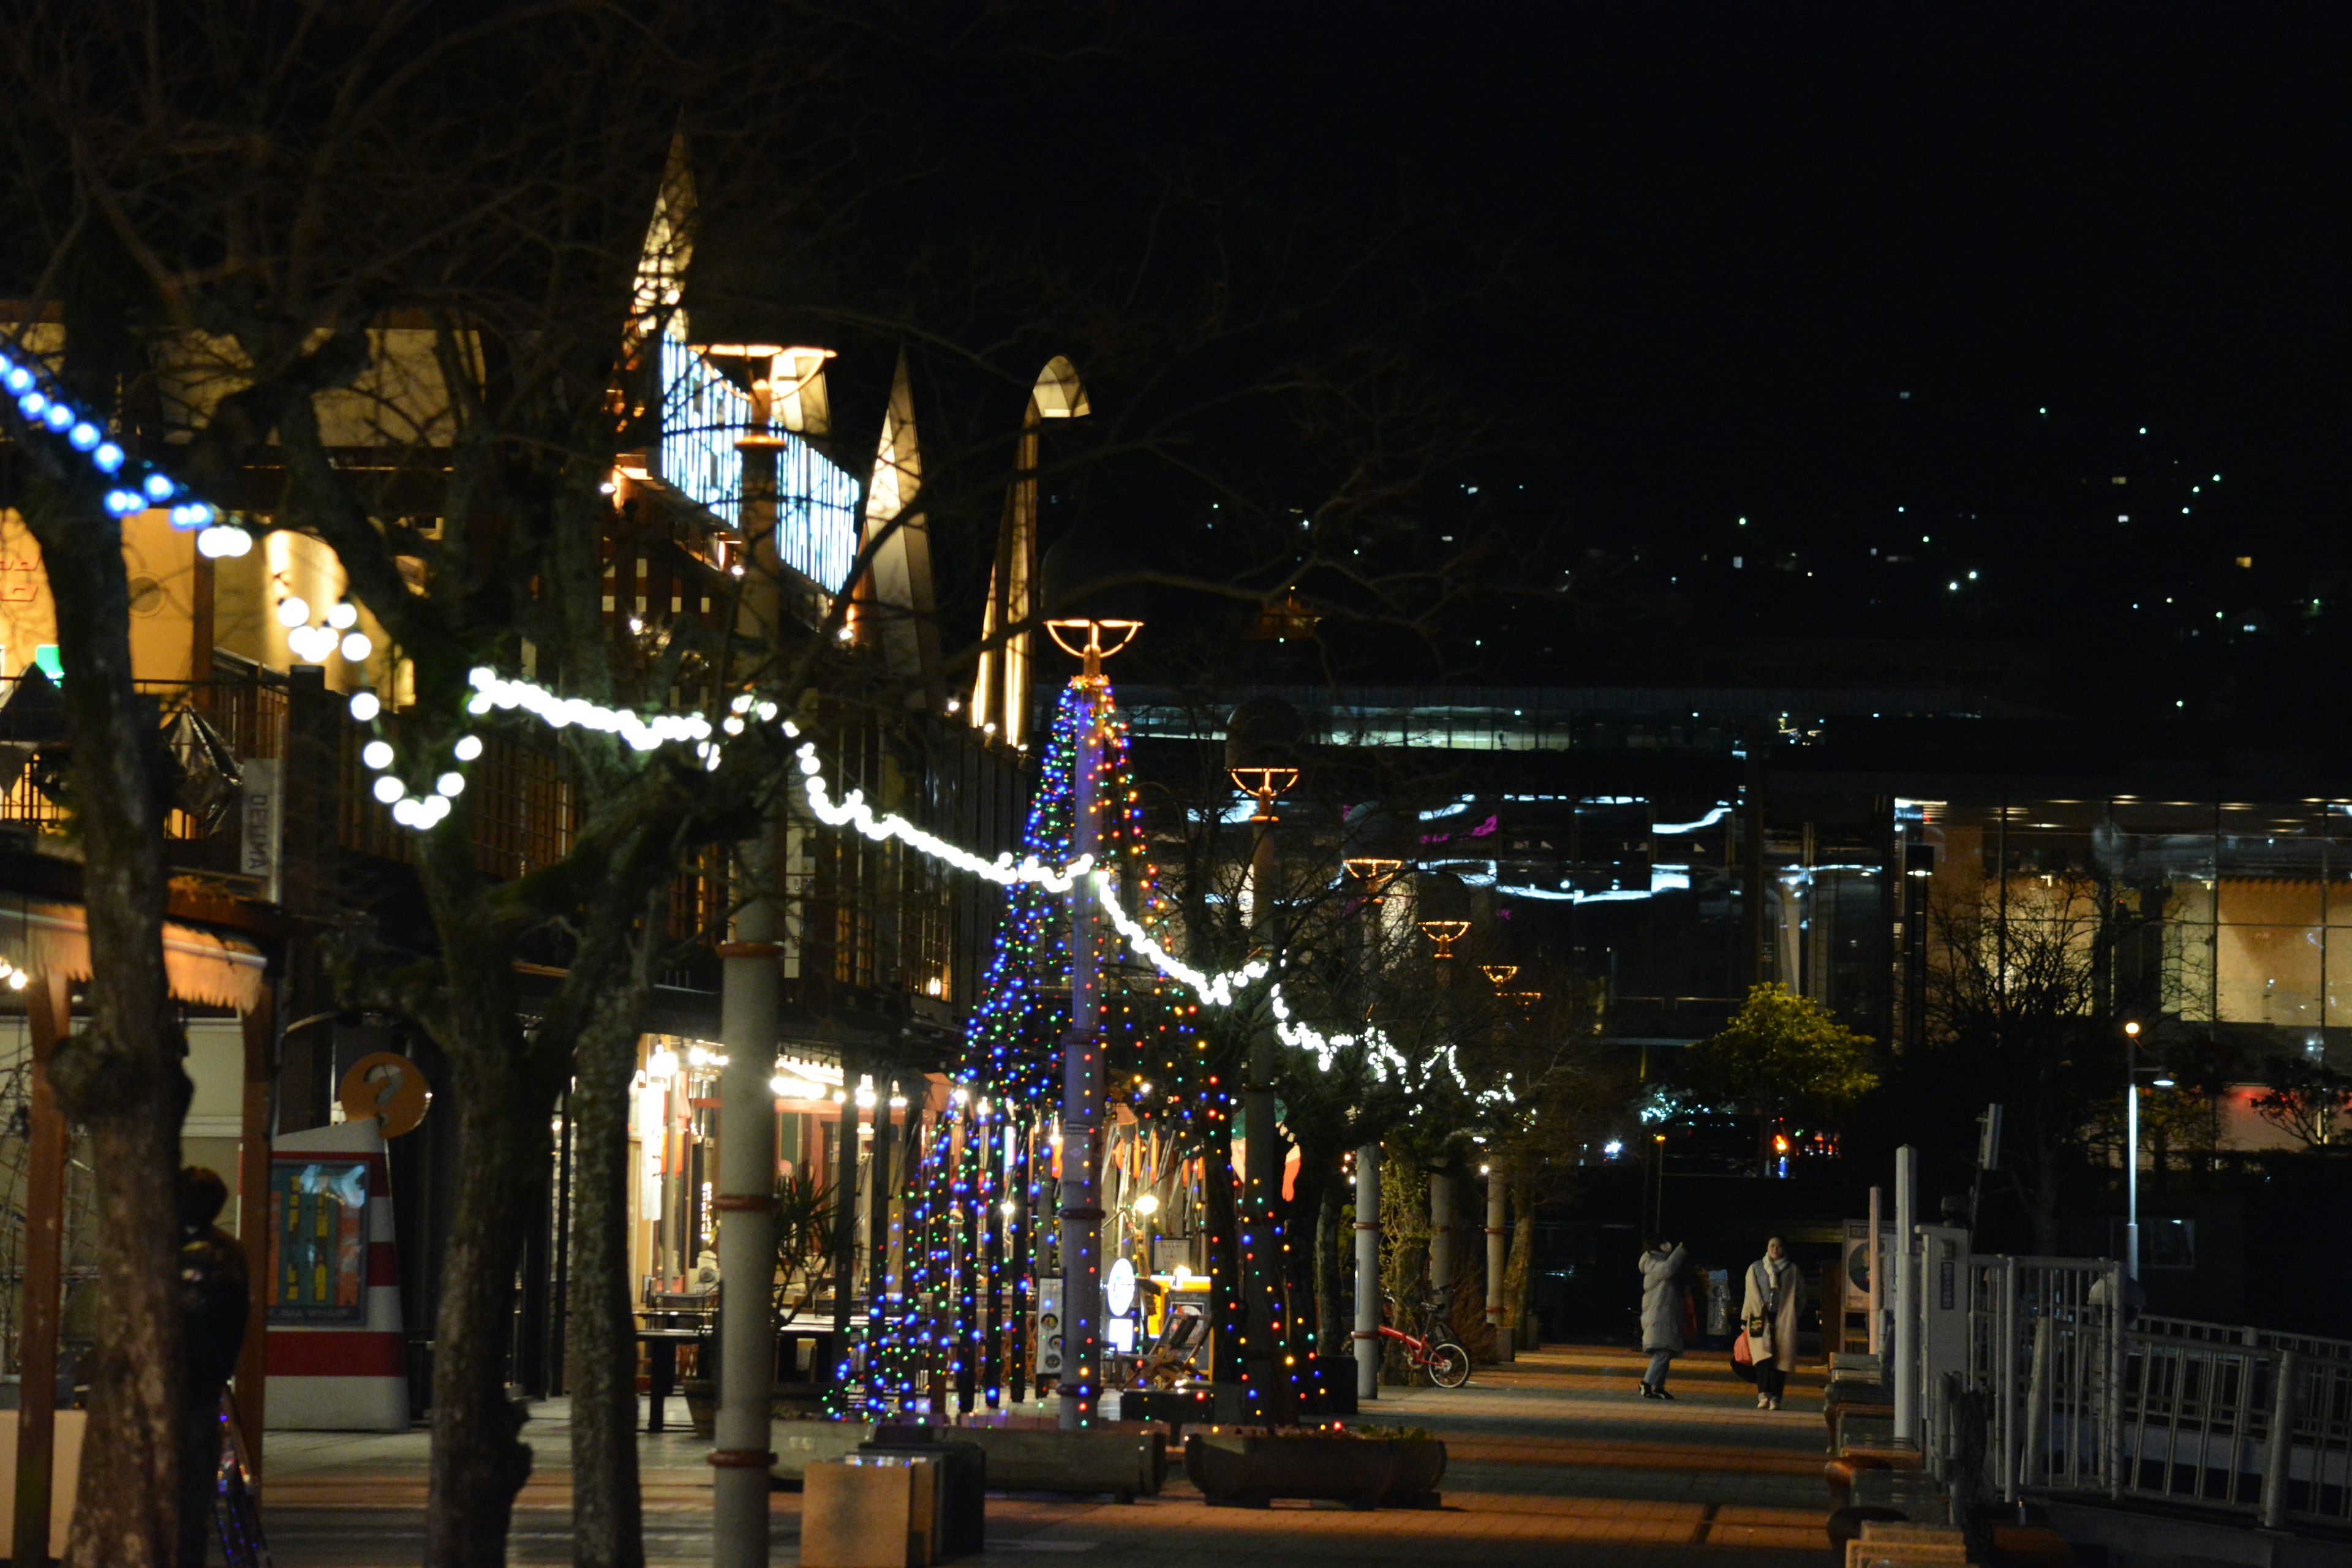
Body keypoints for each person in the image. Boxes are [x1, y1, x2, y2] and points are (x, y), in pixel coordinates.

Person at [177, 1167, 250, 1568]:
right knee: (194, 1503)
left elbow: (184, 1321)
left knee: (175, 1501)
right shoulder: (229, 1252)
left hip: (184, 1391)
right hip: (209, 1386)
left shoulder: (189, 1256)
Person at [1741, 1235, 1805, 1411]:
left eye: (1779, 1246)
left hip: (1783, 1318)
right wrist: (1744, 1318)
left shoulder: (1792, 1270)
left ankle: (1776, 1397)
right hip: (1759, 1317)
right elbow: (1749, 1294)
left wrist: (1793, 1315)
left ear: (1784, 1248)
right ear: (1767, 1247)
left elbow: (1801, 1296)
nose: (1775, 1249)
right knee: (1762, 1358)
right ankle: (1763, 1395)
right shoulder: (1756, 1268)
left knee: (1781, 1360)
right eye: (1772, 1245)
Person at [1636, 1236, 1686, 1400]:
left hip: (1664, 1314)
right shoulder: (1652, 1262)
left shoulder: (1659, 1261)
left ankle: (1658, 1386)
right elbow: (1667, 1269)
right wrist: (1680, 1251)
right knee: (1663, 1350)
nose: (1668, 1245)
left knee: (1666, 1350)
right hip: (1658, 1314)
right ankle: (1647, 1383)